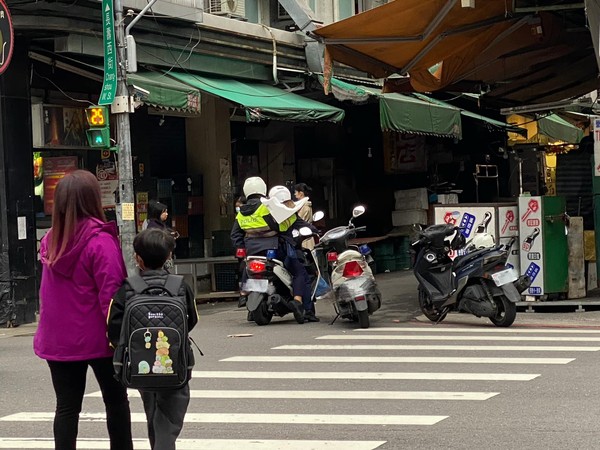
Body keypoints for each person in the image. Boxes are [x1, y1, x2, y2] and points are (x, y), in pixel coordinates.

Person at [33, 169, 133, 450]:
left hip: (58, 341)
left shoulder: (51, 240)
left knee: (66, 408)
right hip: (101, 340)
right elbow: (112, 297)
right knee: (115, 402)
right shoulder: (99, 242)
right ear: (92, 199)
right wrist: (121, 337)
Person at [108, 228, 199, 450]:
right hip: (175, 363)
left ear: (138, 258)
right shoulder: (180, 286)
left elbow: (114, 327)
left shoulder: (128, 288)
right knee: (169, 415)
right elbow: (192, 320)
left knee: (153, 410)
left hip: (141, 365)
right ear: (169, 256)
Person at [230, 177, 307, 323]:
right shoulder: (267, 207)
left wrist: (243, 247)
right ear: (263, 189)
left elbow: (235, 235)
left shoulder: (241, 213)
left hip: (252, 252)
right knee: (298, 271)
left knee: (246, 268)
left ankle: (244, 294)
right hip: (274, 248)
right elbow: (281, 225)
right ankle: (298, 302)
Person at [267, 185, 320, 322]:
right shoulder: (290, 215)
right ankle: (302, 306)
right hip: (287, 251)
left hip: (265, 251)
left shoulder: (265, 213)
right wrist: (316, 231)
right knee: (302, 275)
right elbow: (307, 226)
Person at [293, 182, 315, 250]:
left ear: (301, 193)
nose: (295, 194)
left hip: (304, 237)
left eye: (296, 192)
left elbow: (299, 220)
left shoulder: (304, 206)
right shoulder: (304, 205)